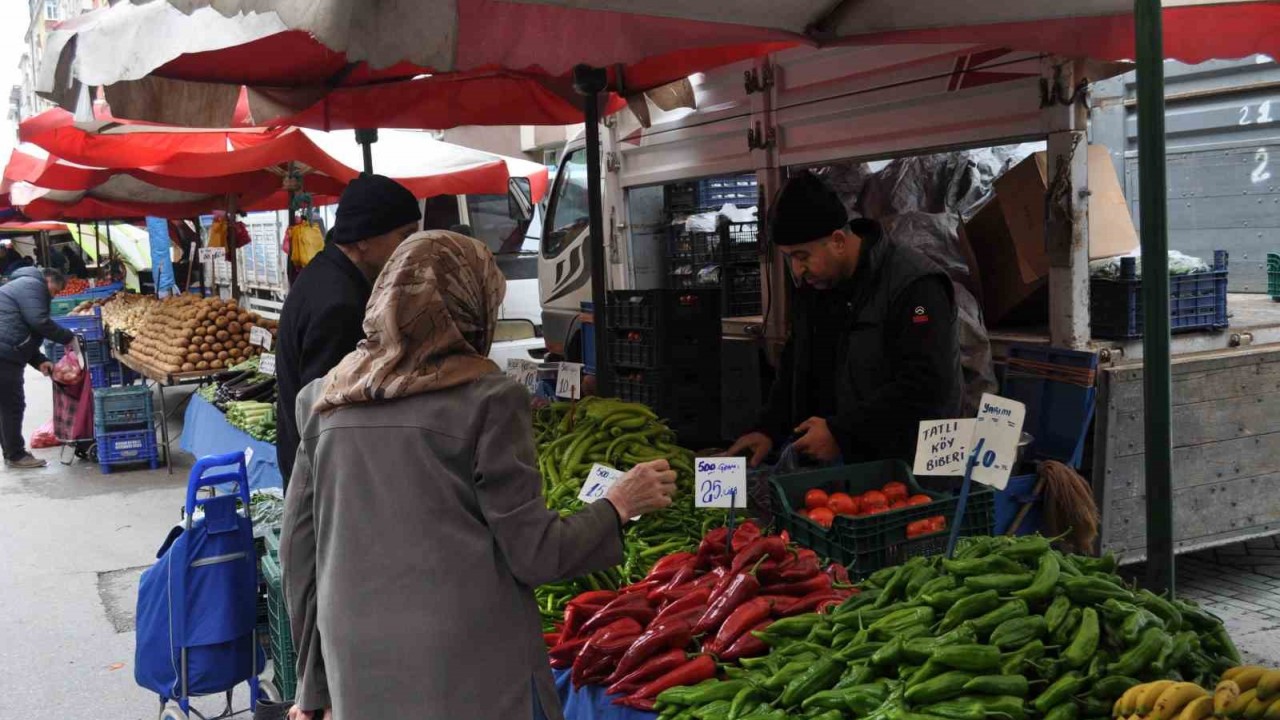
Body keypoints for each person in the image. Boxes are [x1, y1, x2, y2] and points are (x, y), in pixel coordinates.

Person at [280, 231, 678, 720]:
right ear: (472, 305)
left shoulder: (322, 399)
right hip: (468, 666)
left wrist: (311, 688)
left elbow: (299, 552)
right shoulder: (488, 400)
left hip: (354, 659)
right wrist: (618, 505)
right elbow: (535, 553)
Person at [726, 171, 963, 469]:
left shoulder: (915, 286)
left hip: (906, 472)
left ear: (838, 240)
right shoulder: (816, 286)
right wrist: (768, 429)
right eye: (788, 259)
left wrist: (842, 431)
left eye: (802, 256)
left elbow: (926, 386)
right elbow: (795, 366)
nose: (797, 270)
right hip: (836, 472)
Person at [275, 174, 421, 490]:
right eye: (405, 236)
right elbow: (330, 416)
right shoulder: (340, 303)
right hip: (326, 483)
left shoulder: (326, 274)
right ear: (364, 238)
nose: (411, 249)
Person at [0, 268, 74, 468]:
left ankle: (11, 452)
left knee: (7, 404)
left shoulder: (24, 286)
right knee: (12, 404)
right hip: (4, 354)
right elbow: (39, 322)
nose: (54, 296)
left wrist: (39, 359)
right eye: (56, 291)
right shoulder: (33, 286)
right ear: (49, 280)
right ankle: (15, 455)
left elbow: (23, 329)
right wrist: (69, 338)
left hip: (6, 351)